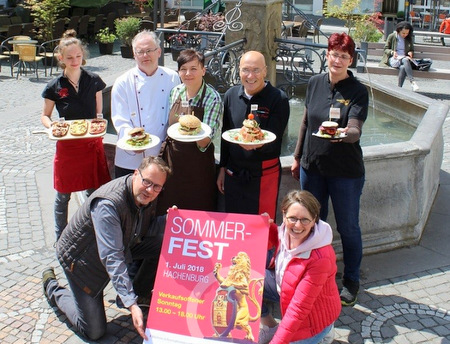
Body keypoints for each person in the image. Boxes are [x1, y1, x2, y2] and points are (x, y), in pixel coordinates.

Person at [42, 156, 172, 341]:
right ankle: (53, 288)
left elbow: (144, 228)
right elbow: (112, 257)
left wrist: (168, 221)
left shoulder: (144, 195)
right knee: (94, 332)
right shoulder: (108, 204)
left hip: (123, 244)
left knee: (164, 241)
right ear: (136, 174)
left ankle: (140, 289)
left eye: (157, 186)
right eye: (147, 182)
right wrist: (130, 303)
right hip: (82, 262)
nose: (150, 190)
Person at [291, 32, 368, 307]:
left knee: (348, 227)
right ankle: (315, 275)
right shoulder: (313, 83)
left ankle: (351, 281)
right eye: (334, 54)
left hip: (345, 171)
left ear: (351, 60)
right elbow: (305, 122)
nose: (337, 60)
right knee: (311, 224)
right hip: (312, 167)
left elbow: (357, 129)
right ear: (326, 54)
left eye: (343, 56)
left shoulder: (358, 91)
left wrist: (345, 134)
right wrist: (298, 156)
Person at [40, 29, 111, 240]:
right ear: (61, 58)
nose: (74, 60)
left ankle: (91, 232)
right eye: (69, 57)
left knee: (93, 191)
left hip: (90, 143)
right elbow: (45, 115)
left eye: (78, 56)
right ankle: (60, 236)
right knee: (63, 195)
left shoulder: (94, 80)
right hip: (68, 146)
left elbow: (98, 114)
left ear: (83, 56)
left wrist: (100, 124)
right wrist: (51, 127)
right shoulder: (55, 86)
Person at [258, 190, 341, 344]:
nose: (297, 225)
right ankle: (270, 327)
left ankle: (325, 333)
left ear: (314, 219)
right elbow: (279, 238)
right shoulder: (285, 232)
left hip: (311, 319)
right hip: (286, 290)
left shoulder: (320, 258)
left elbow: (298, 310)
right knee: (245, 277)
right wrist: (268, 227)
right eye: (293, 218)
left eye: (305, 220)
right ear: (284, 215)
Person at [217, 51, 290, 220]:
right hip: (233, 173)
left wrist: (257, 144)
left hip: (264, 174)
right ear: (239, 71)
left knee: (262, 225)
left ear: (265, 71)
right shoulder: (231, 95)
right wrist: (222, 168)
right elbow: (225, 135)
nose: (250, 76)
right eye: (245, 70)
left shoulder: (278, 98)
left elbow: (275, 138)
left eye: (256, 70)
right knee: (234, 223)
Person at [156, 49, 223, 215]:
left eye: (194, 68)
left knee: (198, 211)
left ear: (203, 70)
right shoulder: (175, 92)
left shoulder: (212, 98)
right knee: (169, 211)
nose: (188, 73)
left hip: (198, 166)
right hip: (172, 163)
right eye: (183, 69)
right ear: (178, 72)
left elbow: (206, 140)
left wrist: (195, 134)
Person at [111, 30, 180, 178]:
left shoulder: (172, 77)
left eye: (149, 50)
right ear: (134, 54)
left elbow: (176, 113)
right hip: (130, 158)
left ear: (159, 52)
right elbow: (120, 120)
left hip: (162, 156)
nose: (145, 55)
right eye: (140, 52)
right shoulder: (123, 82)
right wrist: (133, 142)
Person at [380, 21, 419, 92]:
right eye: (403, 33)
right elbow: (386, 49)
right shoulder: (392, 36)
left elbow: (412, 50)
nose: (405, 35)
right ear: (398, 31)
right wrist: (392, 52)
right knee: (405, 60)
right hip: (393, 59)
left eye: (407, 33)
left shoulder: (409, 38)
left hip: (404, 60)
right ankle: (412, 82)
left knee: (403, 66)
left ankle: (399, 88)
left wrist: (411, 52)